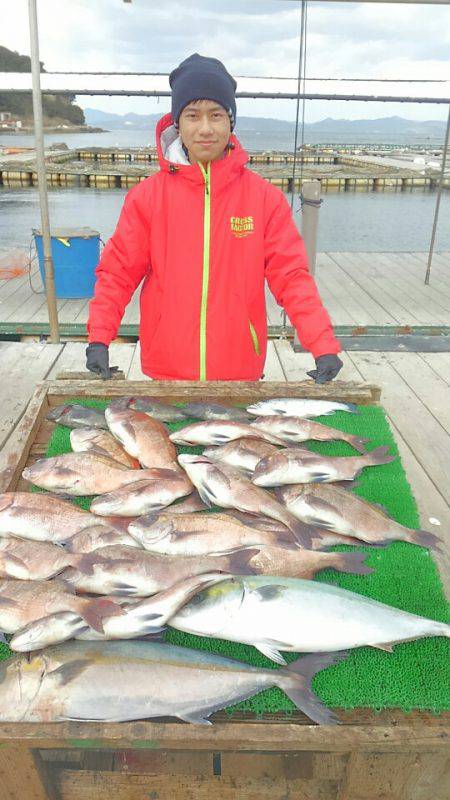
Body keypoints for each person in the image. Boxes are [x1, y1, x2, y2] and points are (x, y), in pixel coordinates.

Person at [86, 53, 343, 384]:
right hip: (167, 370)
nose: (205, 128)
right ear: (178, 123)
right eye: (193, 115)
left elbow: (291, 276)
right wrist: (98, 338)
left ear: (230, 121)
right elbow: (117, 274)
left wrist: (322, 344)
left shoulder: (264, 198)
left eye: (216, 115)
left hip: (240, 371)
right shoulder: (147, 198)